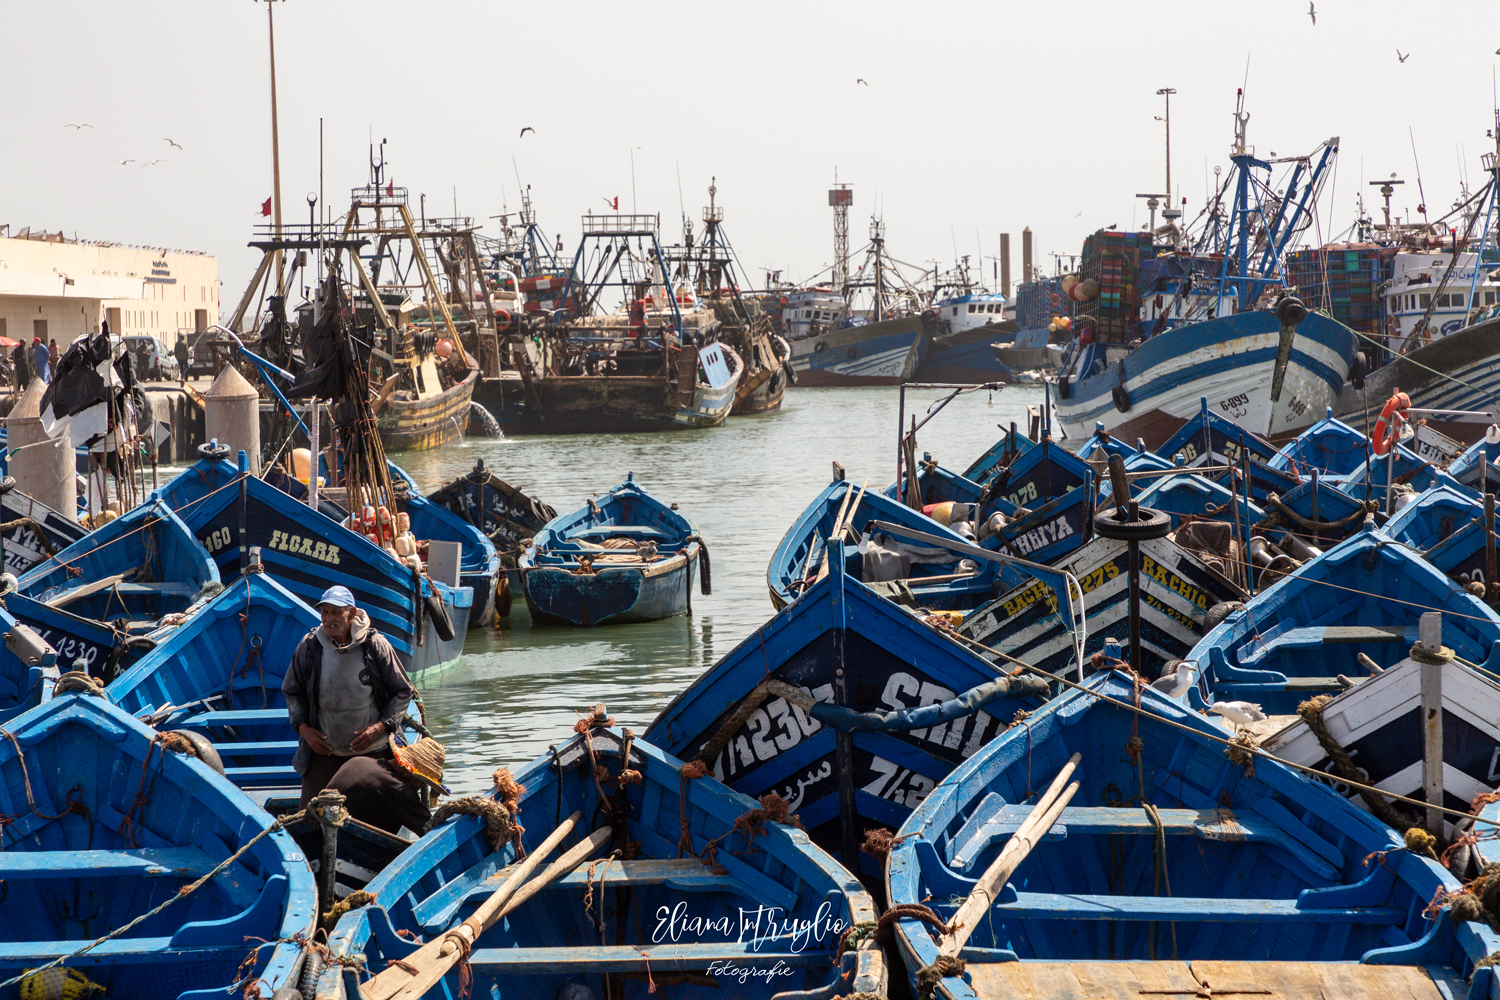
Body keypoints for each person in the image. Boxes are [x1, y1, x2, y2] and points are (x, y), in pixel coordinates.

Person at [282, 585, 416, 807]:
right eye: (325, 612)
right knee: (311, 814)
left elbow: (403, 690)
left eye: (336, 612)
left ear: (352, 613)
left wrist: (380, 727)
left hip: (371, 749)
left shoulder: (375, 645)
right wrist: (305, 730)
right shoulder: (310, 646)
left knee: (375, 815)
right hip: (324, 749)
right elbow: (292, 690)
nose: (329, 619)